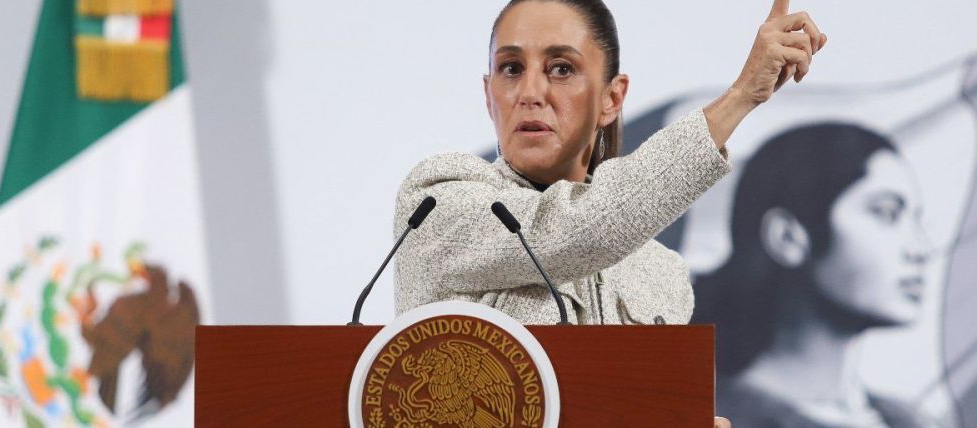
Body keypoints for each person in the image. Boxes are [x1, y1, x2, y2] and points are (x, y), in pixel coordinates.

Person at [394, 1, 822, 425]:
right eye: (511, 68)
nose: (530, 93)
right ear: (489, 96)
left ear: (611, 98)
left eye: (561, 68)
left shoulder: (663, 275)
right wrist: (741, 96)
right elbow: (579, 231)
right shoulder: (434, 202)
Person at [692, 124, 936, 427]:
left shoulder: (915, 420)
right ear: (787, 238)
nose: (921, 249)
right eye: (886, 213)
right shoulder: (701, 416)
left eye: (916, 220)